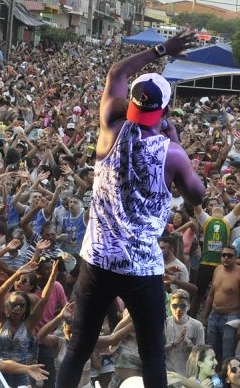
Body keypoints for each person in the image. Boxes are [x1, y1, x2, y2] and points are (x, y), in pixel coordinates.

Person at [57, 31, 206, 388]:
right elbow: (196, 195)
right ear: (166, 110)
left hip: (98, 261)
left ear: (132, 103)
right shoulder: (171, 153)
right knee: (153, 353)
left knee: (78, 349)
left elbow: (115, 74)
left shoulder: (109, 127)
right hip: (141, 266)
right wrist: (176, 141)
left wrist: (160, 50)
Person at [202, 244, 240, 365]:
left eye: (229, 255)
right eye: (223, 255)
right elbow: (211, 294)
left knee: (228, 355)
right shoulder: (217, 269)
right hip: (214, 315)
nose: (226, 258)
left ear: (235, 257)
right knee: (211, 353)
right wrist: (204, 316)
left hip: (232, 317)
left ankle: (227, 382)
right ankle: (214, 382)